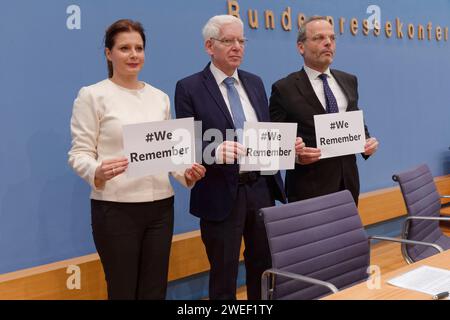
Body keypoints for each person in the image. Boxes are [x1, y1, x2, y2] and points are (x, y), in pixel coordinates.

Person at [68, 19, 205, 300]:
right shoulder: (93, 95)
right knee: (123, 291)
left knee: (155, 291)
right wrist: (97, 170)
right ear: (109, 54)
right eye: (124, 48)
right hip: (116, 210)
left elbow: (167, 153)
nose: (133, 55)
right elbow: (79, 153)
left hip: (160, 209)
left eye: (139, 48)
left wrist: (185, 173)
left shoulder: (159, 98)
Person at [174, 15, 286, 300]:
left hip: (260, 187)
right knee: (223, 272)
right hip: (220, 191)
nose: (237, 47)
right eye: (228, 41)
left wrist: (287, 143)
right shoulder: (189, 87)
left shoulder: (256, 83)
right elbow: (183, 143)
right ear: (210, 46)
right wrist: (212, 151)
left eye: (241, 40)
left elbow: (265, 130)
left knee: (263, 266)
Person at [269, 16, 379, 204]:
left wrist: (367, 143)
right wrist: (295, 156)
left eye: (332, 38)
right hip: (308, 188)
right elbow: (273, 142)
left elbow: (355, 122)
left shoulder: (349, 80)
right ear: (301, 47)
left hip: (348, 185)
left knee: (346, 235)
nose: (328, 43)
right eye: (319, 38)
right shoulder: (284, 88)